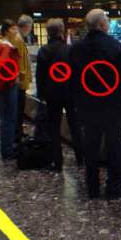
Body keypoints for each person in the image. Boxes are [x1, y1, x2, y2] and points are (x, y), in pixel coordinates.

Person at [69, 9, 121, 199]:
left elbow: (72, 79)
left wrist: (77, 102)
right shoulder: (114, 46)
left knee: (91, 146)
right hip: (112, 106)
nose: (108, 23)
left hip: (87, 106)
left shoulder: (76, 49)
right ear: (101, 25)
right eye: (107, 20)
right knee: (114, 147)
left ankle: (92, 187)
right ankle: (114, 186)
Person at [35, 18, 83, 171]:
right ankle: (81, 158)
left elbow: (40, 75)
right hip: (70, 93)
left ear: (48, 32)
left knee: (54, 127)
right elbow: (77, 72)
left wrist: (41, 94)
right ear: (62, 31)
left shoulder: (43, 51)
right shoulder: (70, 49)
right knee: (75, 125)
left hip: (51, 94)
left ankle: (58, 162)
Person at [0, 20, 21, 160]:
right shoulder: (6, 47)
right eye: (14, 29)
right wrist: (12, 77)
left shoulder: (0, 45)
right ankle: (8, 150)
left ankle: (6, 148)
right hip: (8, 87)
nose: (16, 32)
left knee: (5, 118)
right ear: (8, 30)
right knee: (9, 118)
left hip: (0, 86)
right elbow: (3, 65)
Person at [15, 15, 33, 143]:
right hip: (19, 83)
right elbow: (20, 63)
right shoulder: (19, 40)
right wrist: (23, 80)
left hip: (19, 82)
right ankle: (18, 135)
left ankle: (18, 132)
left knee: (18, 111)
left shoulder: (18, 38)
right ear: (26, 26)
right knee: (18, 110)